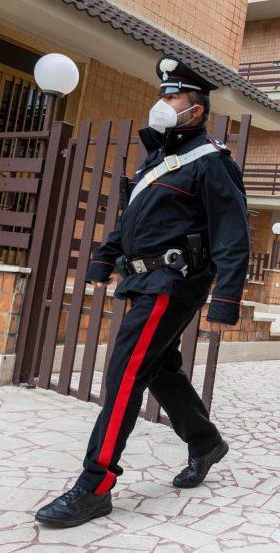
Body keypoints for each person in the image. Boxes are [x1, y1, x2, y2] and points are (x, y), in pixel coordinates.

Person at [35, 54, 250, 528]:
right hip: (142, 280)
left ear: (197, 108)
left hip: (173, 283)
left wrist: (226, 300)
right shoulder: (157, 160)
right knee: (159, 369)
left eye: (174, 96)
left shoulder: (211, 162)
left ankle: (95, 484)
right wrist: (104, 256)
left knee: (124, 373)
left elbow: (234, 235)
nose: (164, 103)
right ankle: (205, 442)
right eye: (162, 95)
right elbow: (131, 221)